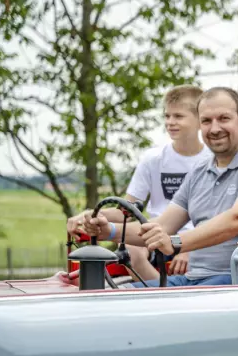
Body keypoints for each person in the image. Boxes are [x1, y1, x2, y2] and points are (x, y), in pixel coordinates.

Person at [77, 87, 238, 286]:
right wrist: (110, 231)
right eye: (207, 121)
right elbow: (162, 225)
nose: (215, 128)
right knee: (115, 298)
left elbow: (237, 220)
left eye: (224, 118)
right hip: (192, 279)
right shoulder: (199, 172)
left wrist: (176, 243)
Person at [67, 85, 212, 281]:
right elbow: (125, 211)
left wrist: (188, 250)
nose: (170, 122)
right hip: (155, 234)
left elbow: (215, 218)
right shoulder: (153, 158)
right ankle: (159, 293)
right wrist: (91, 214)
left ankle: (165, 293)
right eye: (167, 116)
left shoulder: (211, 160)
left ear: (199, 119)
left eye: (178, 116)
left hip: (198, 240)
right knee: (130, 250)